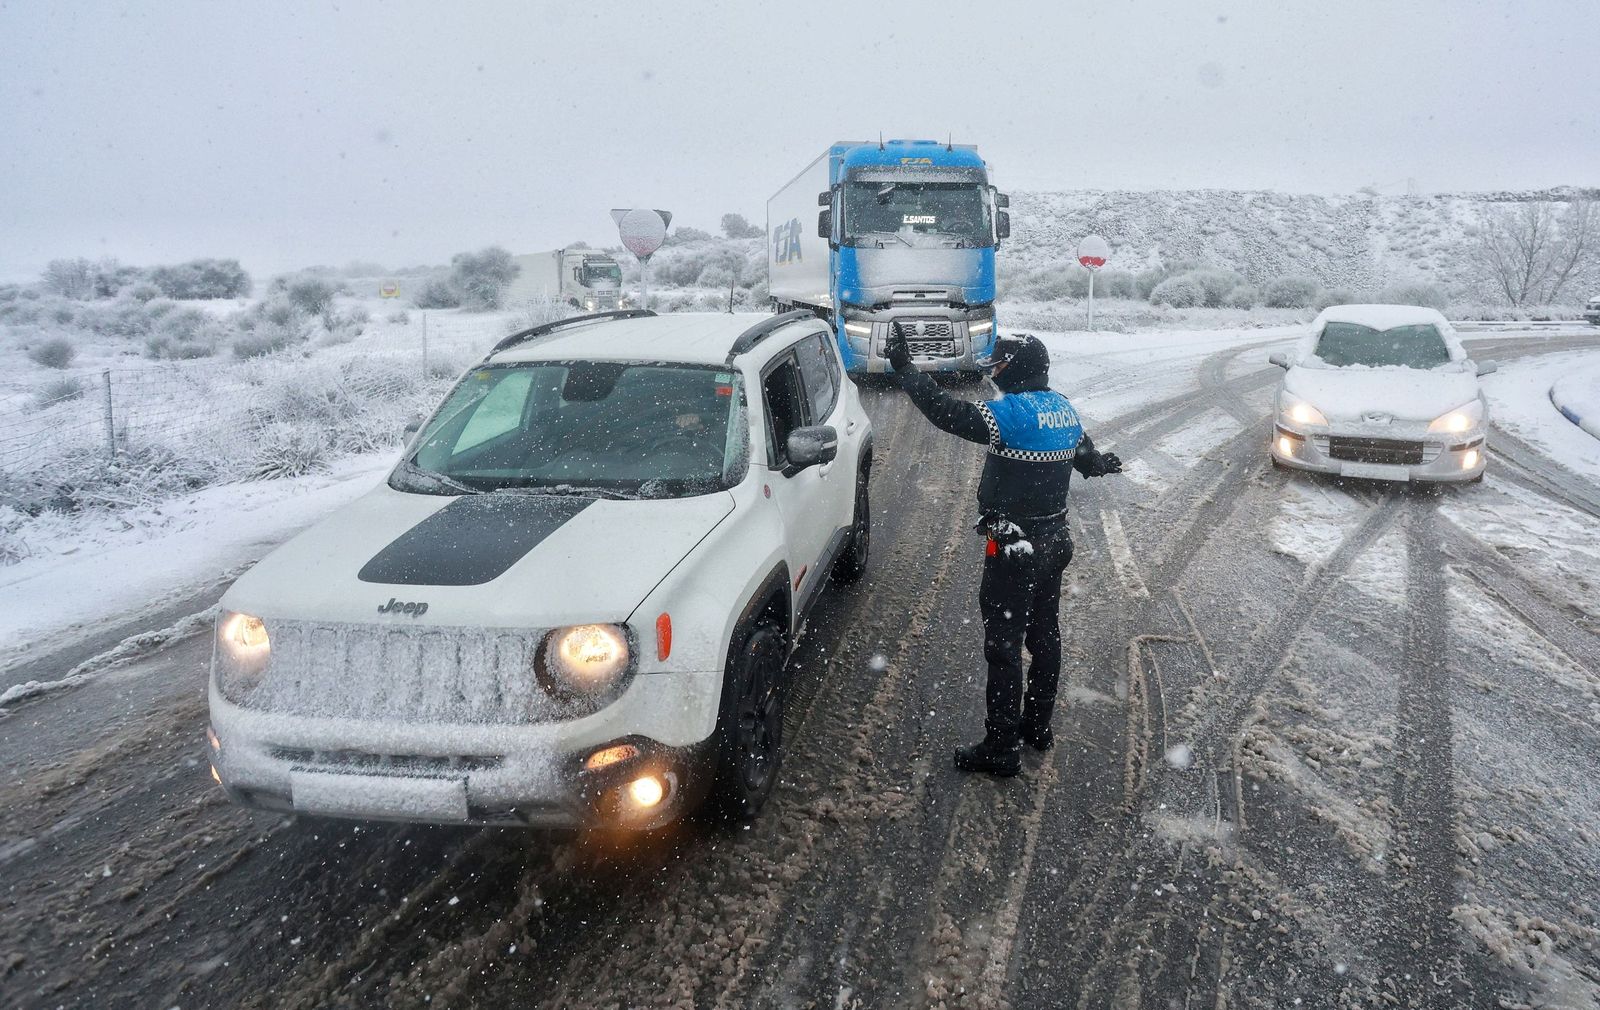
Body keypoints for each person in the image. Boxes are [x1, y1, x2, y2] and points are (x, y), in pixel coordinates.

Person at [884, 326, 1122, 776]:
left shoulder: (1013, 413)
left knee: (1004, 648)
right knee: (1045, 636)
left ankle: (1001, 746)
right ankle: (1038, 726)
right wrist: (1101, 464)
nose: (994, 372)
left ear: (1018, 368)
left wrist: (905, 368)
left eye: (1000, 364)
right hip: (1055, 542)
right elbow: (1087, 458)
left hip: (1015, 546)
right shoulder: (1063, 408)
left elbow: (946, 413)